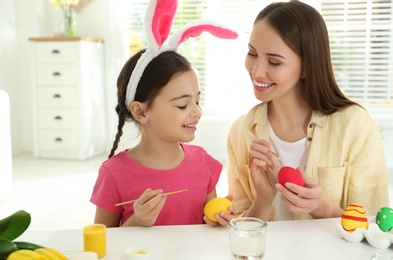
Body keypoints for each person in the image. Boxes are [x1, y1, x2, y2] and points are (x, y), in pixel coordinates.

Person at [226, 1, 389, 222]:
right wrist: (262, 201)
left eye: (274, 61)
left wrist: (323, 208)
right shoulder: (241, 131)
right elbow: (237, 230)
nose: (256, 70)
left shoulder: (355, 126)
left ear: (306, 67)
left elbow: (377, 228)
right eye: (252, 53)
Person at [90, 0, 238, 227]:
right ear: (140, 112)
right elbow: (103, 241)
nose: (197, 112)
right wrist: (137, 222)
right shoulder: (113, 174)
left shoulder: (204, 163)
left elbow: (207, 223)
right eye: (182, 105)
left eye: (197, 101)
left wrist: (216, 219)